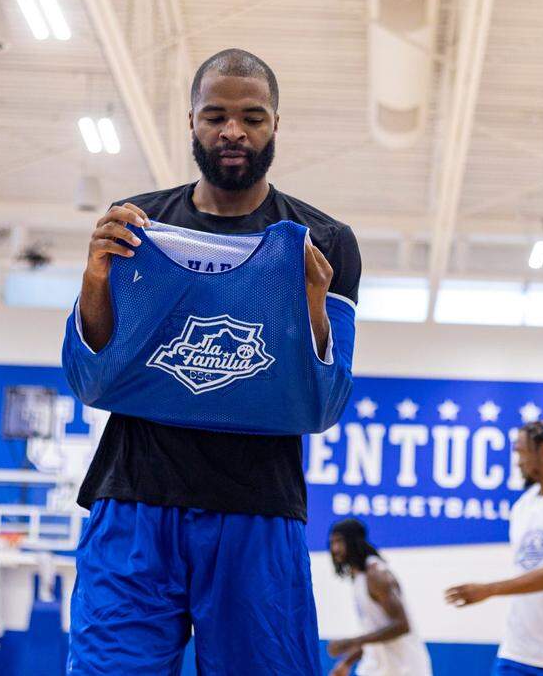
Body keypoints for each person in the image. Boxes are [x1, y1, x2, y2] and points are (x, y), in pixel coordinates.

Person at [67, 48, 361, 675]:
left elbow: (322, 406)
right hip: (134, 498)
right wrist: (94, 277)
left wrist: (312, 300)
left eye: (252, 117)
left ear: (275, 124)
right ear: (192, 122)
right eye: (215, 116)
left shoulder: (325, 242)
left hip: (258, 510)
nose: (233, 131)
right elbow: (91, 378)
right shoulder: (136, 225)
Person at [444, 420, 543, 676]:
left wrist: (488, 590)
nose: (517, 462)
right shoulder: (523, 505)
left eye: (521, 452)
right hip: (518, 651)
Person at [327, 518, 433, 676]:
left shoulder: (376, 574)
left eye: (339, 541)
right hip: (379, 667)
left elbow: (402, 625)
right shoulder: (359, 577)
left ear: (354, 541)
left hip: (406, 669)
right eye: (332, 543)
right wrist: (347, 662)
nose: (335, 548)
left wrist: (351, 642)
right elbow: (375, 631)